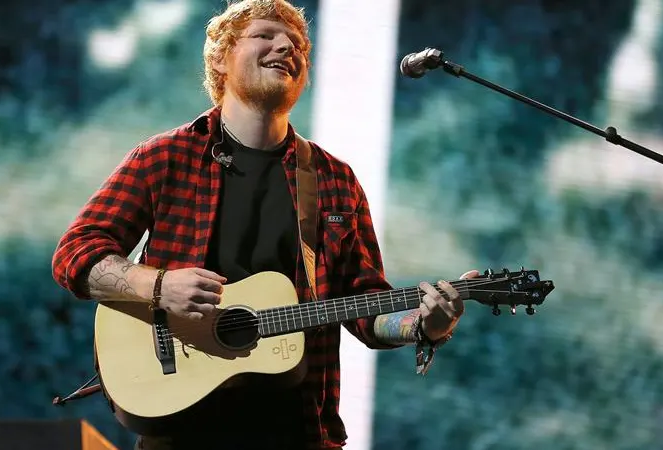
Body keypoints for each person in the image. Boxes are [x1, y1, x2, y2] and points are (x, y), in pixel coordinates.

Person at [52, 1, 477, 449]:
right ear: (220, 57)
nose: (286, 47)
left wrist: (422, 326)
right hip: (180, 429)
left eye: (297, 45)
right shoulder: (165, 157)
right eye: (266, 36)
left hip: (297, 429)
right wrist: (158, 286)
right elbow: (75, 253)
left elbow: (366, 306)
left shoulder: (334, 179)